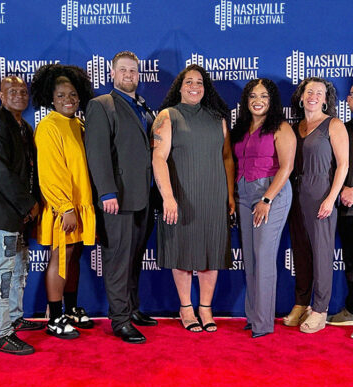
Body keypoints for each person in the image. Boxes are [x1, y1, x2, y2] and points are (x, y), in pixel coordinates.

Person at [152, 64, 234, 333]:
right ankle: (186, 308)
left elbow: (226, 157)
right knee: (182, 253)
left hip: (213, 196)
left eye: (199, 82)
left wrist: (230, 195)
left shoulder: (218, 118)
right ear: (180, 86)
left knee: (212, 253)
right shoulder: (168, 115)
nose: (194, 87)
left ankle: (206, 308)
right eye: (188, 82)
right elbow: (158, 158)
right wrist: (168, 197)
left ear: (205, 87)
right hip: (180, 196)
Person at [85, 51, 157, 344]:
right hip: (119, 199)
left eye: (133, 71)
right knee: (118, 261)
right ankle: (120, 320)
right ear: (112, 74)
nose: (129, 75)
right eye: (123, 70)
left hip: (143, 197)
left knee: (134, 259)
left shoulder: (142, 107)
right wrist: (107, 192)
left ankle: (132, 308)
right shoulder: (102, 105)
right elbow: (98, 152)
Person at [0, 76, 44, 355]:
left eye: (22, 91)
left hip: (19, 213)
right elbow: (1, 173)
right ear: (1, 96)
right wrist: (28, 204)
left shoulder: (25, 127)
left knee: (19, 269)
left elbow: (30, 171)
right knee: (3, 274)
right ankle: (2, 333)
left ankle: (15, 318)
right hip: (0, 213)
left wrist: (32, 204)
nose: (18, 95)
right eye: (11, 91)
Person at [31, 64, 95, 339]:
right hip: (64, 208)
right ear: (50, 98)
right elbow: (49, 172)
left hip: (82, 204)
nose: (67, 99)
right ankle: (55, 317)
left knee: (74, 257)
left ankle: (71, 309)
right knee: (61, 257)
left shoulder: (78, 124)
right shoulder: (47, 127)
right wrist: (65, 207)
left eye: (72, 94)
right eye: (60, 95)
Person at [231, 78, 296, 338]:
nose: (258, 101)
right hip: (244, 194)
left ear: (272, 101)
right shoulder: (241, 128)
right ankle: (253, 315)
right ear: (246, 101)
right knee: (250, 256)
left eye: (264, 96)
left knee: (263, 255)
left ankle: (264, 323)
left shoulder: (281, 127)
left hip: (271, 195)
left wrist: (267, 200)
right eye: (253, 96)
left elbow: (287, 167)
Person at [285, 77, 349, 333]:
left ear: (325, 99)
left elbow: (343, 164)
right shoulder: (294, 127)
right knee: (300, 251)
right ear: (301, 97)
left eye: (319, 93)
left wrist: (331, 197)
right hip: (295, 194)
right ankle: (301, 304)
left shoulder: (333, 125)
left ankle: (320, 310)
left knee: (322, 253)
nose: (313, 96)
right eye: (309, 91)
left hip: (321, 193)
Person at [327, 84, 353, 335]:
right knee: (351, 262)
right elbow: (333, 165)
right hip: (346, 209)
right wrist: (343, 189)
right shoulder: (342, 129)